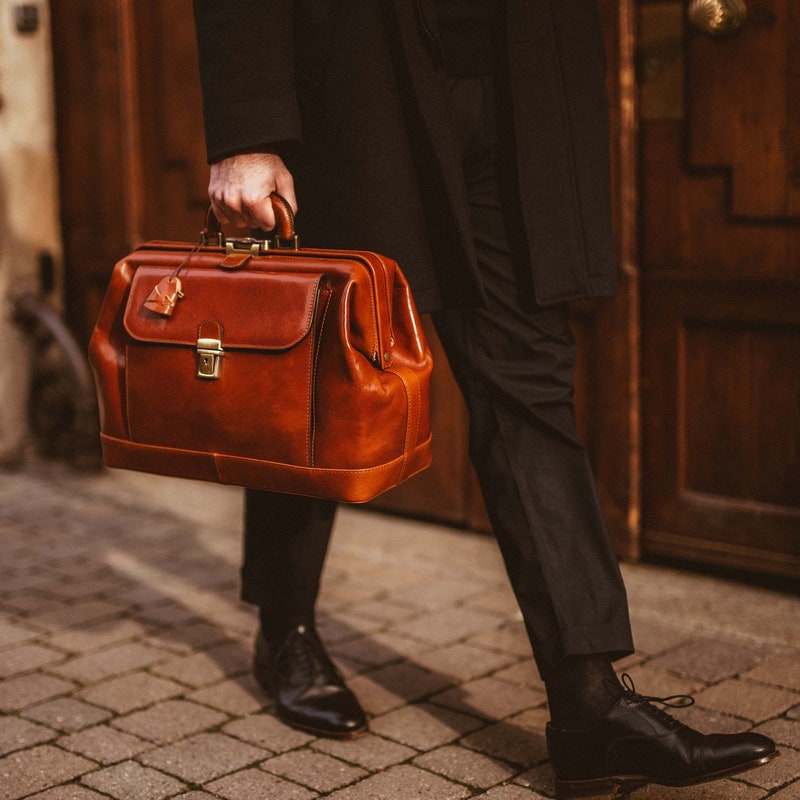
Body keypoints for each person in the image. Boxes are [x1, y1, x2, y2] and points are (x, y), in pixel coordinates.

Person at [191, 2, 778, 797]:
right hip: (361, 78)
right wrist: (247, 128)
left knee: (528, 380)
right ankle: (285, 626)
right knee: (323, 374)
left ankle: (588, 705)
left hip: (523, 75)